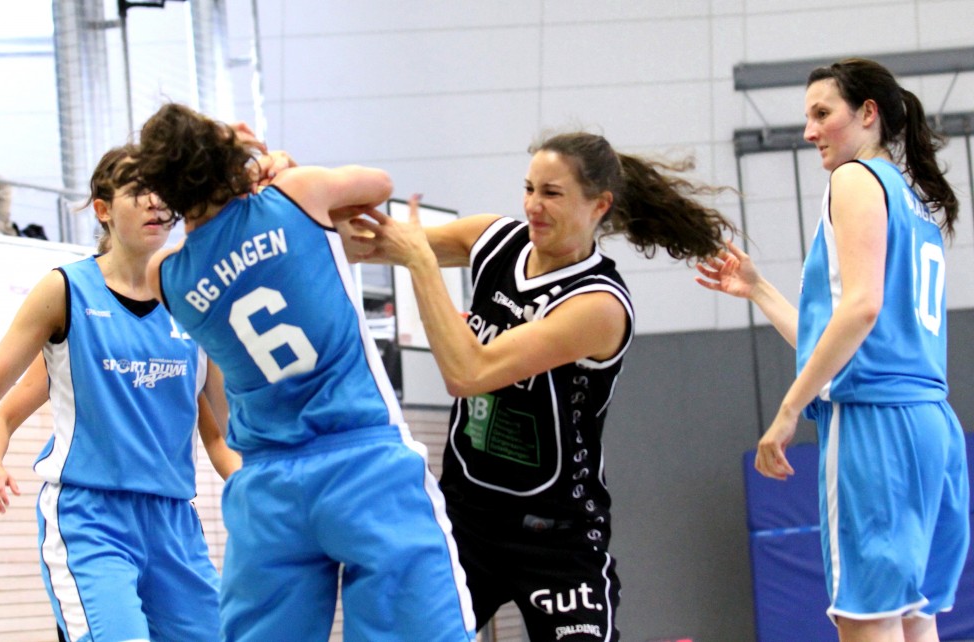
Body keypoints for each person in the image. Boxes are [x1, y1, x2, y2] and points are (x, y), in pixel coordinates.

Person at [347, 132, 735, 640]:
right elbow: (371, 242)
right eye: (529, 188)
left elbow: (467, 372)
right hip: (468, 518)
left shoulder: (598, 304)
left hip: (556, 535)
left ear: (599, 205)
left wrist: (420, 262)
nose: (533, 205)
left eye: (551, 193)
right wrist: (292, 203)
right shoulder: (496, 241)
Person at [134, 102, 476, 642]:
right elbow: (378, 184)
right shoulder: (297, 192)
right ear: (225, 151)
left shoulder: (166, 275)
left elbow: (211, 240)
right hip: (362, 460)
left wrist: (231, 165)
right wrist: (267, 160)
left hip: (267, 489)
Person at [695, 58, 969, 642]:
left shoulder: (853, 180)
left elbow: (861, 309)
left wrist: (789, 407)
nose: (809, 131)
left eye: (822, 114)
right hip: (930, 427)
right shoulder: (911, 196)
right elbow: (848, 334)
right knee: (915, 623)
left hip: (876, 427)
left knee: (866, 620)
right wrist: (761, 289)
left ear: (868, 113)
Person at [0, 144, 241, 641]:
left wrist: (259, 490)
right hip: (92, 517)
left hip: (174, 520)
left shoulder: (193, 301)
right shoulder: (65, 291)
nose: (156, 203)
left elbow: (221, 436)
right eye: (140, 191)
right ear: (104, 209)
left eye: (163, 193)